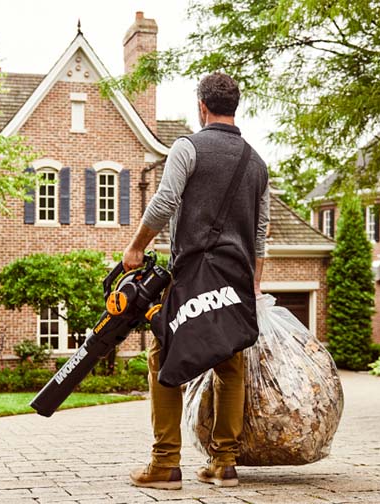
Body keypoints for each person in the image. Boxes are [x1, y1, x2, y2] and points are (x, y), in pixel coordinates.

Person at [123, 72, 270, 490]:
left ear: (201, 107)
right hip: (236, 279)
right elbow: (261, 231)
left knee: (163, 354)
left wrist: (135, 248)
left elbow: (166, 200)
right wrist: (255, 284)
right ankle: (224, 462)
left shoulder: (187, 147)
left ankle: (165, 462)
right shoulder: (257, 162)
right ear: (234, 107)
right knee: (230, 360)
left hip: (191, 274)